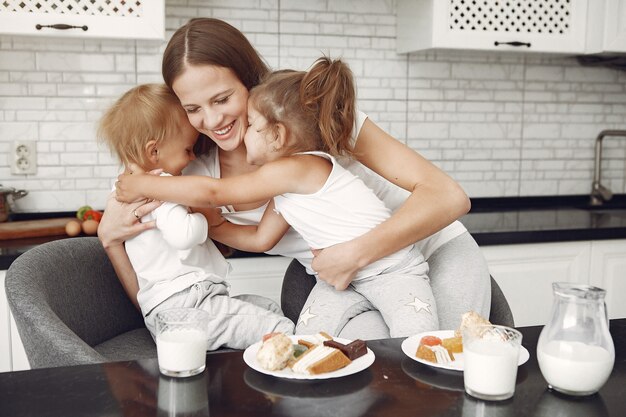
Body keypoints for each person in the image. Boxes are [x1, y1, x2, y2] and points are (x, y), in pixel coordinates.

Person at [98, 18, 490, 339]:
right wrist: (110, 236)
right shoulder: (194, 176)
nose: (212, 121)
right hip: (352, 284)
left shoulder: (313, 120)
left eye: (222, 99)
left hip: (429, 253)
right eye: (193, 109)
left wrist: (356, 253)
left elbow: (448, 196)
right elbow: (158, 272)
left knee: (437, 372)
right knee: (367, 375)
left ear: (249, 80)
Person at [97, 83, 294, 350]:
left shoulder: (127, 189)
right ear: (154, 152)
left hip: (179, 307)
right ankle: (296, 381)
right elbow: (183, 235)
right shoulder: (158, 187)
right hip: (187, 307)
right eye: (187, 149)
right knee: (280, 329)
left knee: (267, 308)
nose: (191, 159)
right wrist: (205, 216)